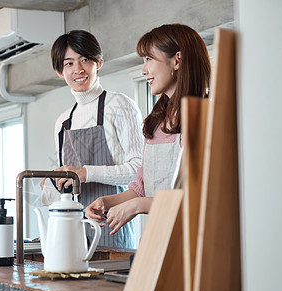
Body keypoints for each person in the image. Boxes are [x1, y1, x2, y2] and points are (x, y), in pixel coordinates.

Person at [85, 24, 211, 235]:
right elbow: (141, 188)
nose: (144, 70)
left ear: (177, 60)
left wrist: (138, 206)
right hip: (161, 236)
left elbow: (197, 197)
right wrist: (106, 202)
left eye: (149, 59)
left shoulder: (204, 118)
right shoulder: (157, 123)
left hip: (196, 239)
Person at [41, 30, 144, 249]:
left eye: (85, 60)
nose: (77, 69)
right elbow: (67, 183)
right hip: (72, 231)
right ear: (60, 71)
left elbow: (140, 170)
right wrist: (52, 182)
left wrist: (85, 173)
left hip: (110, 226)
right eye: (68, 63)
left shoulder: (119, 105)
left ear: (99, 63)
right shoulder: (62, 122)